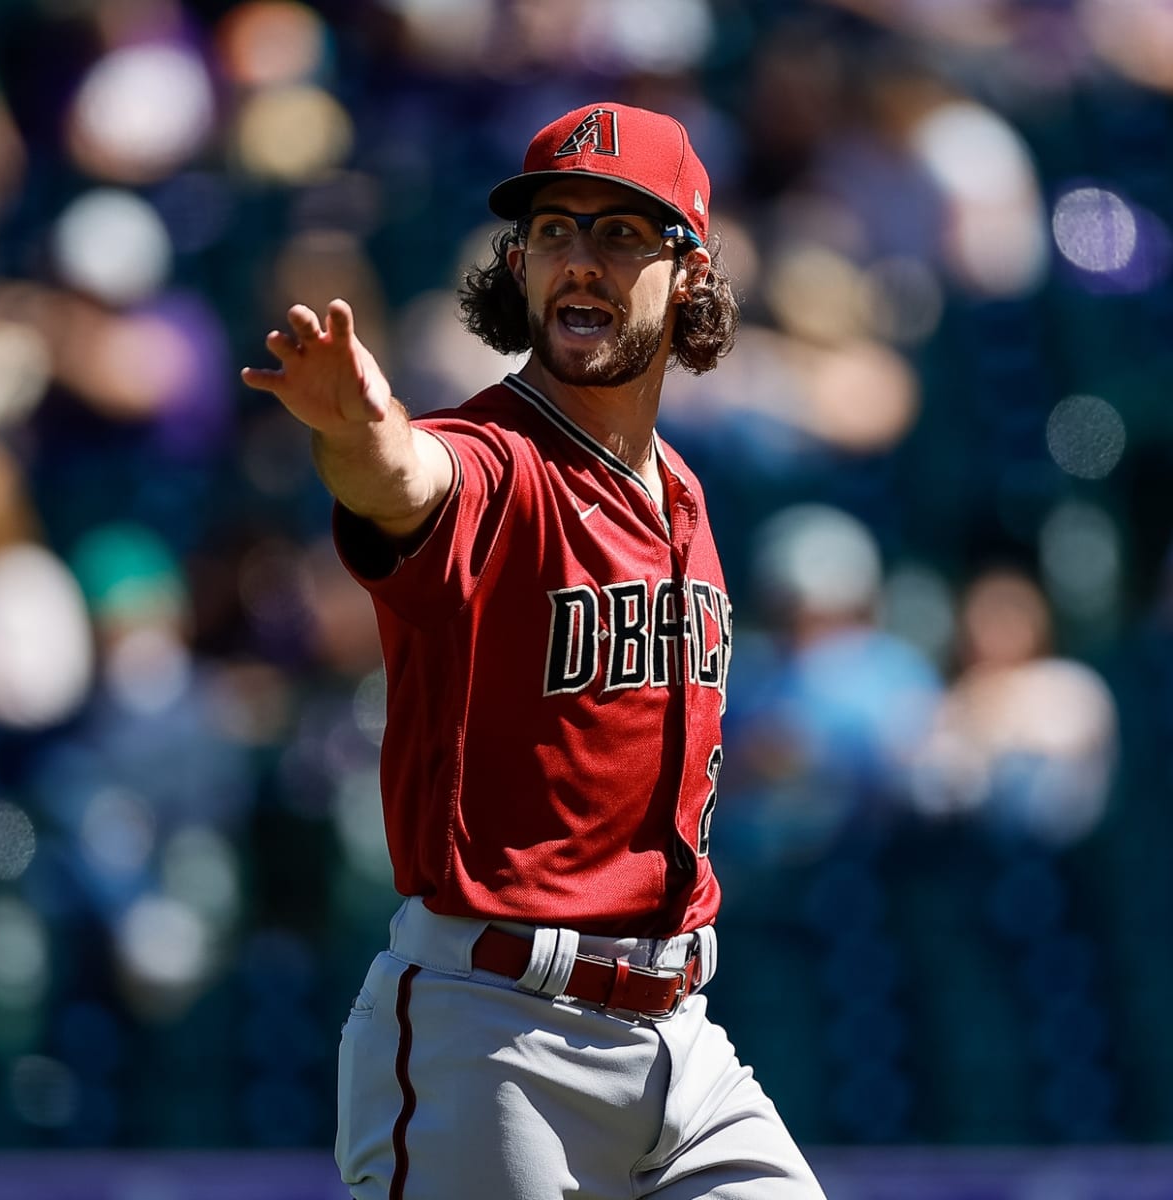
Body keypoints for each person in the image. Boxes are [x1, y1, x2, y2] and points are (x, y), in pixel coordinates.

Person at [242, 101, 828, 1200]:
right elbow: (411, 481)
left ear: (691, 273)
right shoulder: (498, 463)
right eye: (554, 232)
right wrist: (360, 437)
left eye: (619, 235)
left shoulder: (686, 496)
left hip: (683, 1040)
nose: (580, 264)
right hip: (496, 1038)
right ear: (518, 266)